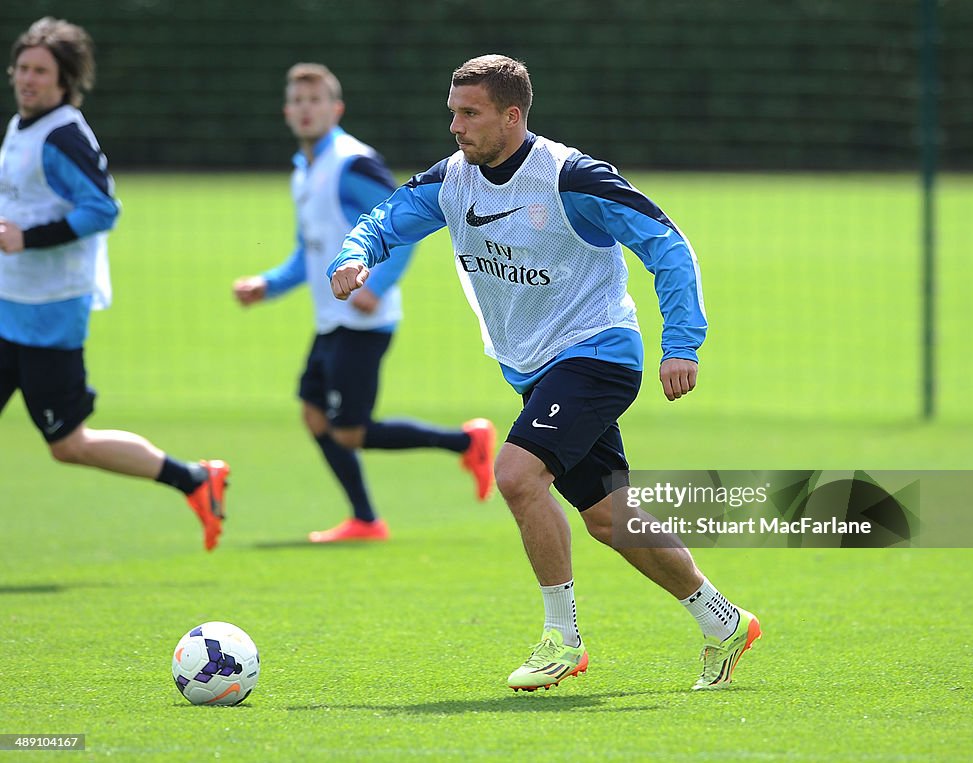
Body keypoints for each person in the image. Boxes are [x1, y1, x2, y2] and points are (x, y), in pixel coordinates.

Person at [328, 54, 760, 691]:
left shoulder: (570, 178)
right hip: (534, 368)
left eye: (469, 114)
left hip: (598, 353)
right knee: (609, 518)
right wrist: (357, 254)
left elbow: (667, 243)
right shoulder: (453, 181)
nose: (456, 126)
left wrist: (683, 344)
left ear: (512, 115)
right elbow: (385, 221)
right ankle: (724, 622)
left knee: (517, 475)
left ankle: (562, 639)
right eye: (452, 113)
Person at [233, 63, 495, 543]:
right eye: (298, 101)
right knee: (316, 416)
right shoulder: (304, 168)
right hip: (332, 318)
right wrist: (266, 285)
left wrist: (377, 285)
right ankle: (365, 520)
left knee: (349, 432)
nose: (306, 110)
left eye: (316, 101)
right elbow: (307, 252)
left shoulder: (352, 163)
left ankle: (466, 442)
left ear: (336, 109)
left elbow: (401, 226)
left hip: (363, 319)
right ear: (287, 112)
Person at [0, 17, 228, 551]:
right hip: (9, 304)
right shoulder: (21, 126)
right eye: (22, 68)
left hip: (49, 314)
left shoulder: (63, 135)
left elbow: (102, 209)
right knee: (65, 443)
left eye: (40, 71)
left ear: (64, 82)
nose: (27, 79)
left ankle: (194, 478)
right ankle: (194, 479)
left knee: (68, 444)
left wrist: (27, 239)